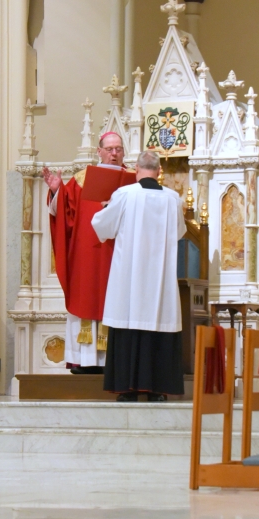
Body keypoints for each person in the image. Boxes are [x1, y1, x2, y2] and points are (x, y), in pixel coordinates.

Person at [91, 150, 186, 402]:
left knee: (128, 321)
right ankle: (157, 390)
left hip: (129, 277)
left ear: (136, 168)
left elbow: (103, 225)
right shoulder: (173, 199)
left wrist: (103, 209)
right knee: (159, 321)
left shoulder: (124, 195)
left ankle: (128, 389)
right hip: (160, 277)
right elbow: (178, 232)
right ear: (159, 170)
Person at [42, 131, 126, 374]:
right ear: (98, 151)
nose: (114, 153)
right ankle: (85, 360)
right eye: (109, 149)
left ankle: (116, 361)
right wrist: (57, 191)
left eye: (118, 149)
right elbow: (64, 214)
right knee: (86, 299)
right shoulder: (81, 179)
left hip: (117, 256)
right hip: (87, 255)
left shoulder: (131, 181)